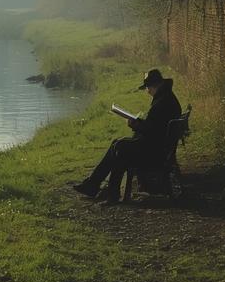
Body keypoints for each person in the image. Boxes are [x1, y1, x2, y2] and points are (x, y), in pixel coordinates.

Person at [73, 68, 181, 204]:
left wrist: (135, 125)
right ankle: (96, 185)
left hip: (156, 152)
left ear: (154, 86)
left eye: (147, 88)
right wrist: (139, 123)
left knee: (120, 147)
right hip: (161, 147)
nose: (147, 92)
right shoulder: (166, 98)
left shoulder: (162, 102)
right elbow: (156, 126)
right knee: (117, 144)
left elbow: (152, 130)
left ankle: (104, 190)